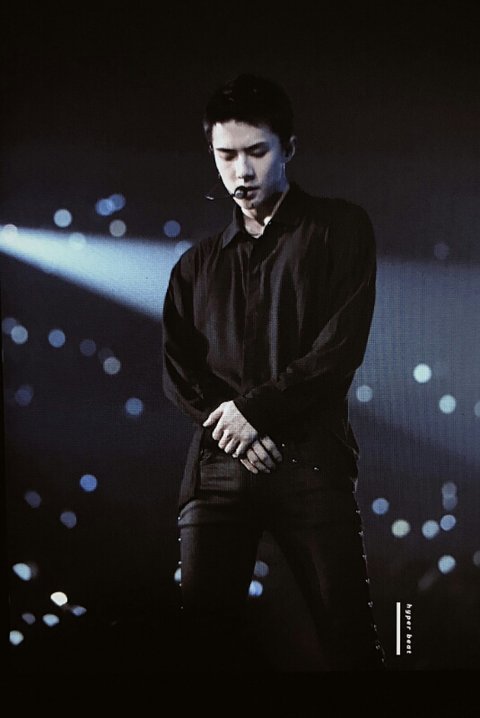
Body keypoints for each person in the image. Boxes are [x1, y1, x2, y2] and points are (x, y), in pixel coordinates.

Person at [162, 73, 386, 671]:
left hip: (310, 462)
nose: (241, 171)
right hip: (217, 471)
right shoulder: (195, 266)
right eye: (225, 155)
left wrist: (251, 413)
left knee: (353, 648)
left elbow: (339, 349)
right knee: (201, 659)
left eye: (256, 152)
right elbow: (178, 371)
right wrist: (235, 428)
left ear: (289, 147)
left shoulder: (341, 228)